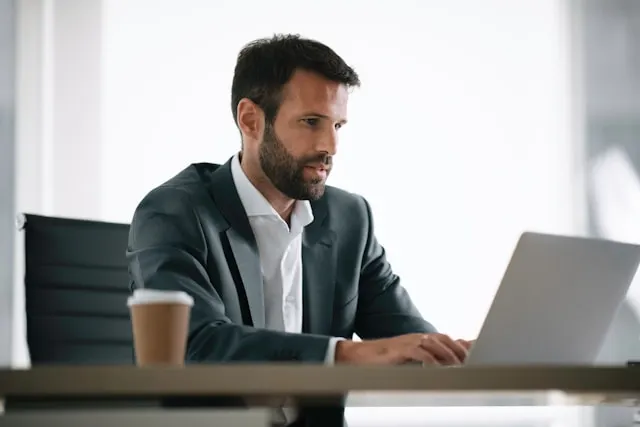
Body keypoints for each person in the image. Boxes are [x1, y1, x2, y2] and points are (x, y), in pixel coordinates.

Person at [127, 34, 472, 427]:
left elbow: (408, 341)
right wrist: (344, 354)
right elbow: (194, 345)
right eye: (311, 122)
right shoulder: (174, 212)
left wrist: (470, 353)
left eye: (338, 125)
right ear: (251, 120)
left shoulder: (349, 217)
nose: (331, 145)